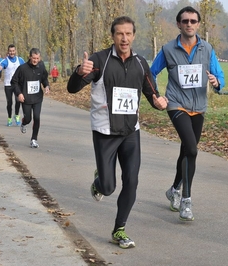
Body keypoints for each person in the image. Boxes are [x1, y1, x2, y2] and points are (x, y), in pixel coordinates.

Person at [67, 16, 168, 249]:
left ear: (133, 36)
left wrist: (158, 102)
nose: (124, 38)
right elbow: (73, 89)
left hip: (131, 132)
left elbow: (151, 92)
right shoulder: (98, 60)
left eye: (128, 34)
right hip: (105, 132)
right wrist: (78, 72)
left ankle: (119, 230)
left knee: (131, 181)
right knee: (108, 187)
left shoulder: (141, 63)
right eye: (120, 34)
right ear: (113, 36)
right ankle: (99, 182)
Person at [150, 6, 225, 221]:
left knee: (187, 151)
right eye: (185, 21)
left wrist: (217, 82)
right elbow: (151, 72)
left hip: (199, 106)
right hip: (176, 104)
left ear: (198, 24)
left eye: (193, 21)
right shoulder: (167, 49)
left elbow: (219, 74)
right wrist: (156, 96)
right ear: (179, 24)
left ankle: (173, 189)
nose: (189, 24)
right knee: (192, 148)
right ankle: (186, 200)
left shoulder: (207, 49)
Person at [11, 48, 50, 148]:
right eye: (34, 58)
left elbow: (44, 78)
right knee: (28, 119)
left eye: (37, 58)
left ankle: (34, 139)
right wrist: (19, 93)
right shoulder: (22, 68)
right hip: (26, 98)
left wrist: (46, 86)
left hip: (37, 98)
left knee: (37, 117)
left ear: (39, 58)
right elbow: (14, 82)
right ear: (30, 57)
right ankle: (24, 123)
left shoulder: (41, 67)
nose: (35, 60)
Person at [0, 44, 25, 126]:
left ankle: (16, 115)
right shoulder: (5, 61)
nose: (12, 52)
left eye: (13, 51)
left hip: (17, 85)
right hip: (8, 84)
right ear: (8, 52)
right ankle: (9, 118)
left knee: (18, 101)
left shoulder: (20, 60)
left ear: (15, 51)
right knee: (9, 103)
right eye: (10, 51)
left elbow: (26, 68)